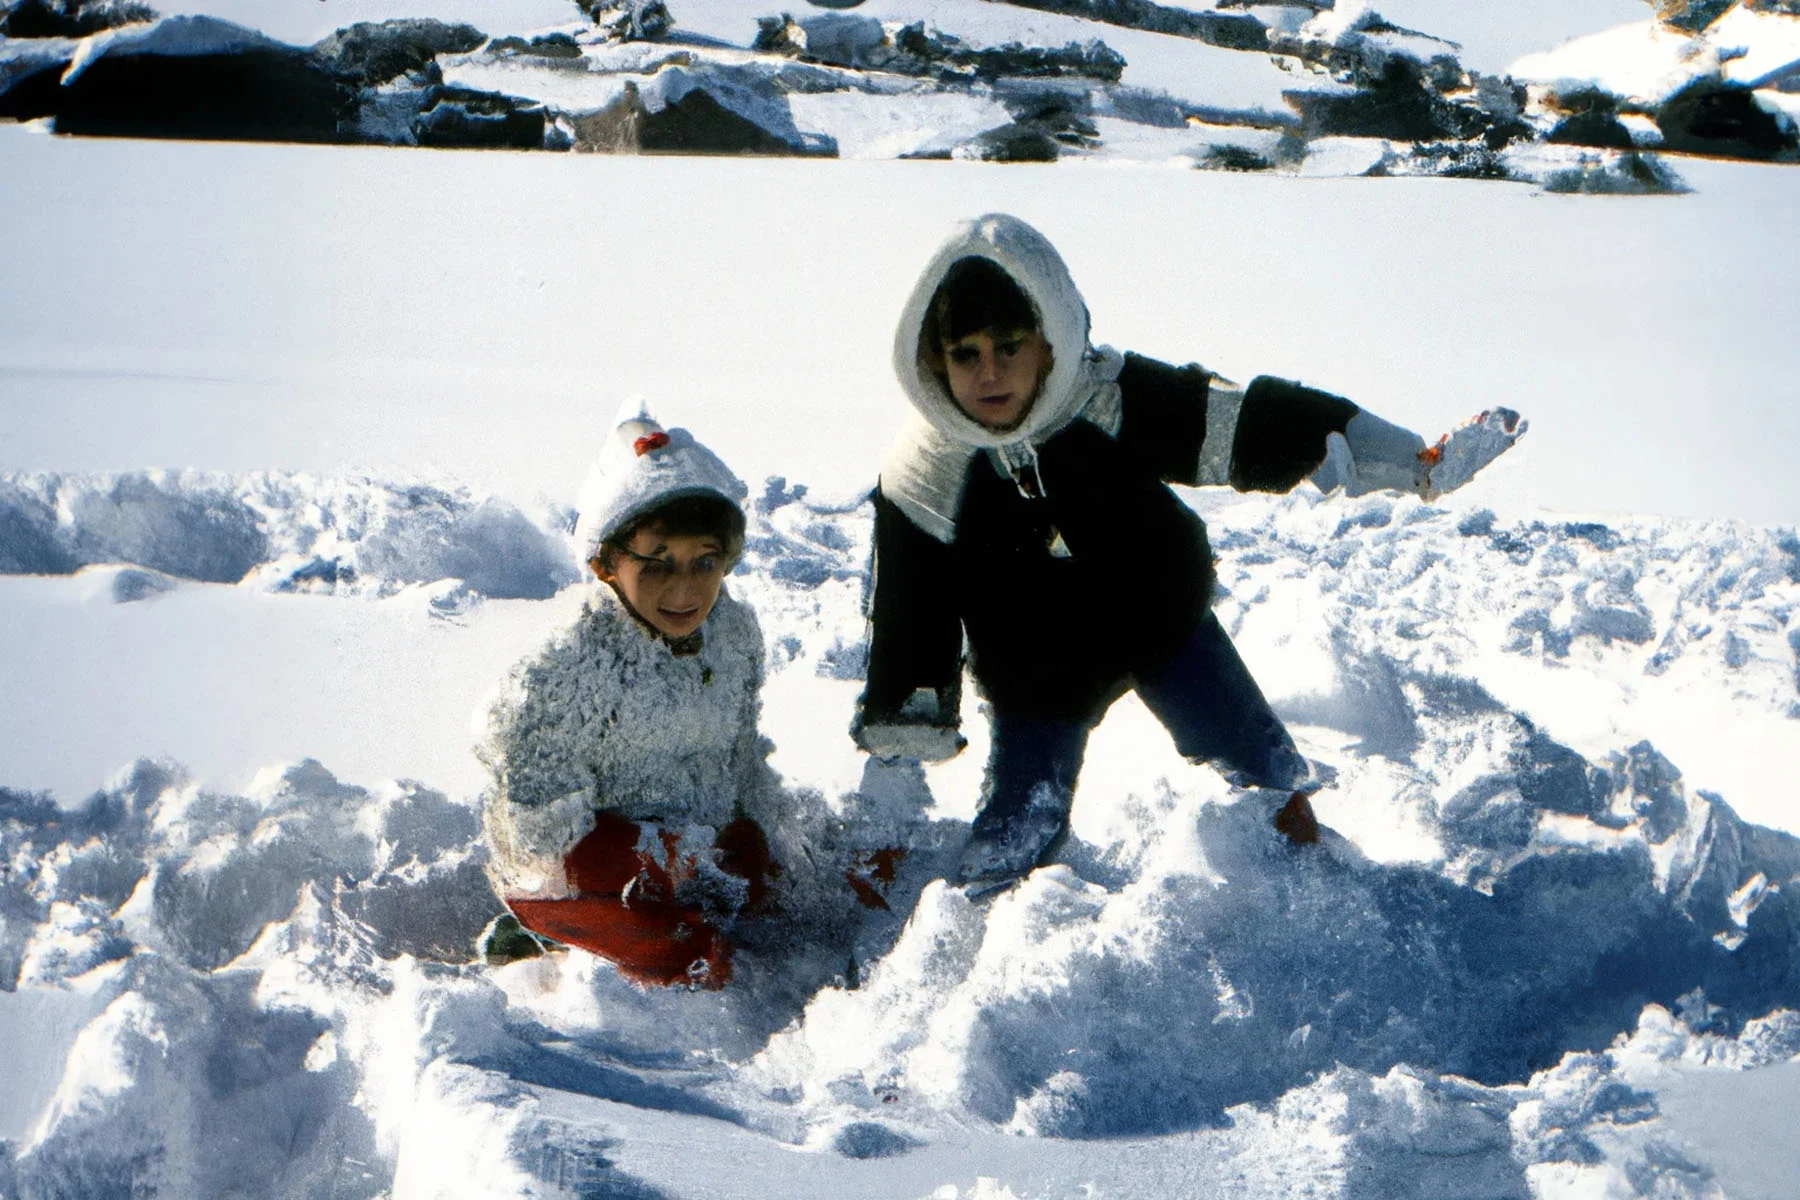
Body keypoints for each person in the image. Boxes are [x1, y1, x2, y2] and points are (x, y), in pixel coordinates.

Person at [853, 213, 1525, 895]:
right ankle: (995, 934)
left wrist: (1405, 460)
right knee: (1017, 828)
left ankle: (1310, 877)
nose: (988, 372)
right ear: (936, 360)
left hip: (1158, 621)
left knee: (1260, 771)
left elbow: (1251, 424)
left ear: (1049, 344)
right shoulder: (925, 472)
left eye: (1009, 345)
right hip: (1034, 666)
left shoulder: (1107, 400)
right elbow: (909, 621)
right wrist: (888, 799)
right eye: (965, 354)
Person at [478, 400, 783, 988]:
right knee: (689, 962)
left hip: (687, 844)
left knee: (771, 897)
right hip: (583, 859)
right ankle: (545, 936)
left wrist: (753, 843)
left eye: (705, 562)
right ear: (607, 564)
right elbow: (533, 824)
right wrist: (660, 855)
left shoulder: (733, 634)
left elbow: (739, 758)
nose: (685, 588)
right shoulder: (571, 663)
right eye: (657, 564)